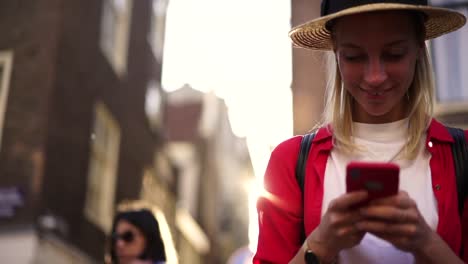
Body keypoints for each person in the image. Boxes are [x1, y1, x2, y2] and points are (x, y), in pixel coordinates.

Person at [253, 1, 467, 263]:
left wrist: (426, 243)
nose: (375, 76)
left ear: (420, 46)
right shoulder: (290, 161)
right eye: (354, 56)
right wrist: (320, 244)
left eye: (394, 54)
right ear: (335, 51)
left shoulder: (463, 154)